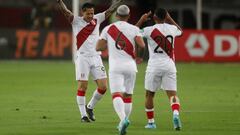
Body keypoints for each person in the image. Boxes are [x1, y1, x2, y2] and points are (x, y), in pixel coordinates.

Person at [57, 0, 123, 122]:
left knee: (103, 87)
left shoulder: (97, 19)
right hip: (83, 57)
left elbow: (110, 10)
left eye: (92, 13)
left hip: (96, 57)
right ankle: (83, 116)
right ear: (83, 12)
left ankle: (90, 107)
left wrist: (119, 2)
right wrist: (60, 2)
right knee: (83, 86)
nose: (91, 16)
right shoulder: (76, 21)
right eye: (88, 13)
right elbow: (66, 12)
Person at [96, 5, 145, 135]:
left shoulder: (108, 29)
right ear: (129, 16)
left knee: (116, 94)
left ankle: (123, 119)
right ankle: (124, 121)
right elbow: (142, 45)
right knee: (128, 95)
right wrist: (139, 57)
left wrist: (109, 45)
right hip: (130, 66)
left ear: (116, 15)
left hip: (116, 66)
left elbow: (98, 47)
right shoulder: (134, 29)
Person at [137, 8, 183, 130]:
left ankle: (151, 123)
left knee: (149, 94)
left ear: (155, 17)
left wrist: (141, 20)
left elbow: (133, 32)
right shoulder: (172, 29)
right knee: (172, 94)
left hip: (154, 66)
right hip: (169, 65)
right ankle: (176, 114)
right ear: (165, 17)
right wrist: (170, 19)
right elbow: (181, 31)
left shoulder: (149, 30)